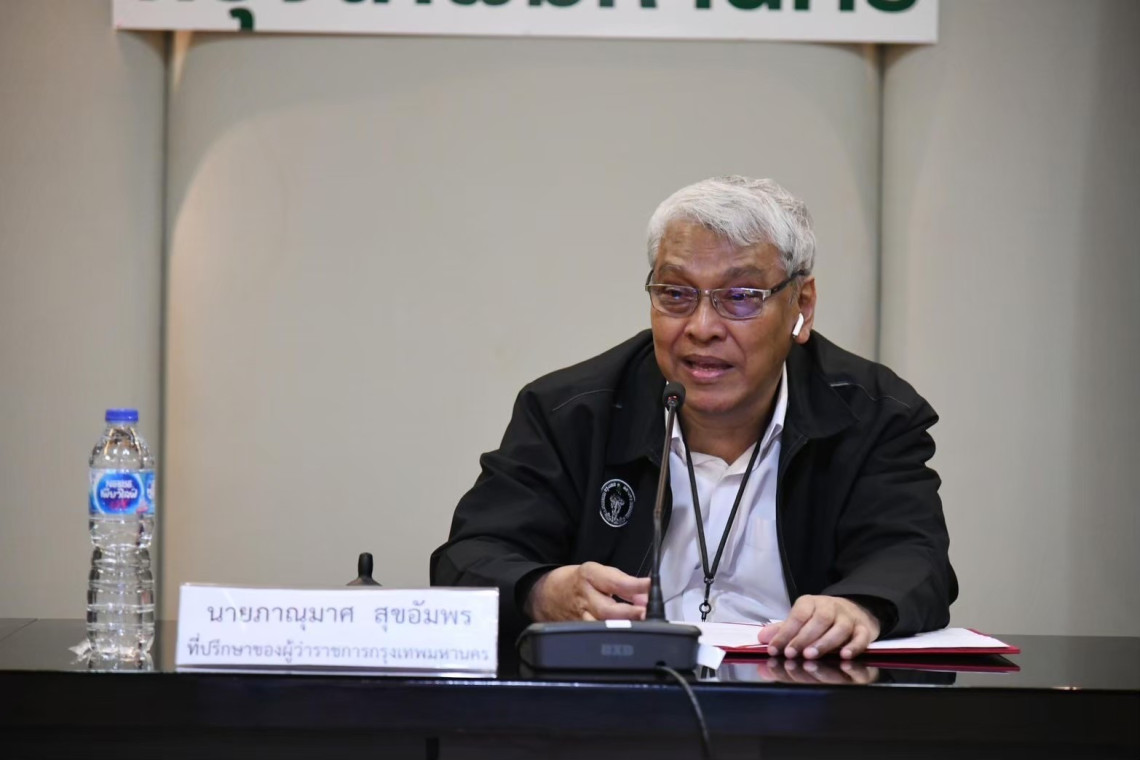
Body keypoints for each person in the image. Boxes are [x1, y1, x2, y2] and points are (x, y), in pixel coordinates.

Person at [430, 176, 956, 660]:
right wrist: (542, 591)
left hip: (801, 699)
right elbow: (469, 556)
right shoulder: (571, 412)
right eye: (676, 294)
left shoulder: (874, 415)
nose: (702, 327)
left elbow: (914, 557)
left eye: (740, 297)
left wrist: (860, 606)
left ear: (802, 304)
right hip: (622, 700)